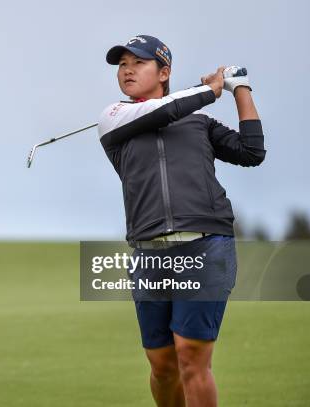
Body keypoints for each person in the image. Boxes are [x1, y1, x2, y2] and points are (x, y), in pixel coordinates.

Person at [97, 35, 266, 406]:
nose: (127, 70)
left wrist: (240, 89)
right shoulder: (113, 119)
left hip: (206, 245)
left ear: (164, 72)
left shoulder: (199, 123)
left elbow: (252, 152)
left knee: (191, 359)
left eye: (137, 63)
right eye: (122, 64)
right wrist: (209, 90)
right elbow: (161, 112)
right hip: (149, 252)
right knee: (162, 366)